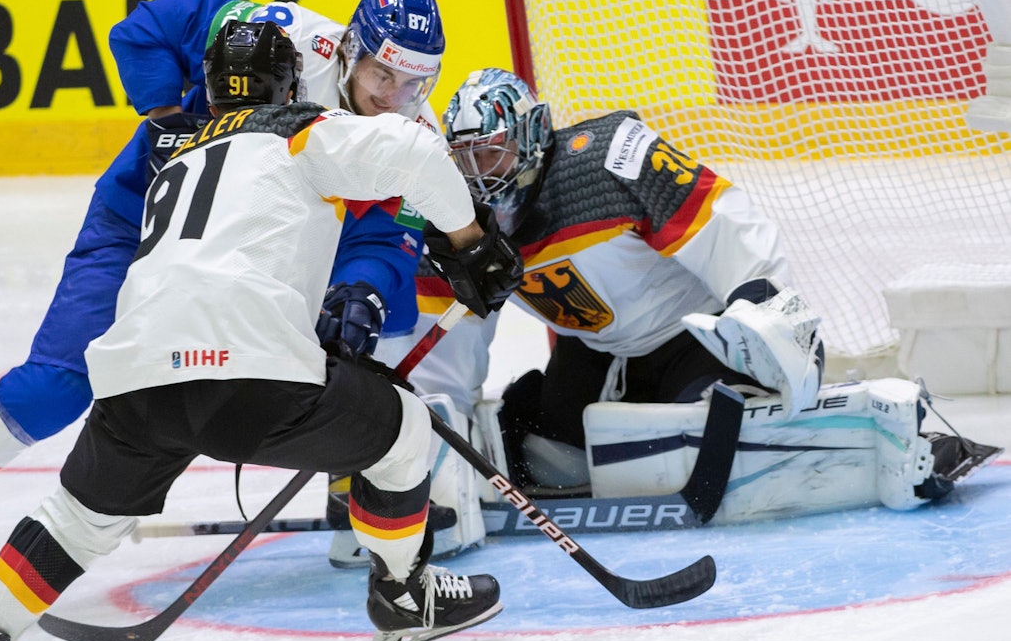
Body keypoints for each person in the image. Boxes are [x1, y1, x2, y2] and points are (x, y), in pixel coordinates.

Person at [0, 21, 521, 641]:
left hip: (136, 380)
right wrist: (470, 243)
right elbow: (413, 154)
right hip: (255, 383)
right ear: (292, 83)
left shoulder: (177, 149)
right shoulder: (305, 131)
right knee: (403, 428)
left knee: (73, 521)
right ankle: (403, 596)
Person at [365, 67, 1000, 540]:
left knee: (691, 441)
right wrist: (434, 424)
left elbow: (724, 220)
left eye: (493, 150)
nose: (481, 173)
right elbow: (454, 332)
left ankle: (856, 430)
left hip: (691, 336)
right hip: (597, 352)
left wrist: (763, 308)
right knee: (536, 449)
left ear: (532, 135)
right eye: (466, 157)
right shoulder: (459, 215)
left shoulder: (608, 159)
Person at [0, 0, 443, 500]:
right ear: (349, 51)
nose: (392, 97)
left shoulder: (413, 137)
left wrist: (358, 290)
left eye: (413, 82)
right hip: (144, 223)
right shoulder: (288, 35)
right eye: (381, 74)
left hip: (250, 263)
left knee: (282, 371)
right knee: (54, 388)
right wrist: (167, 122)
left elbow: (383, 241)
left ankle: (356, 493)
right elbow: (147, 28)